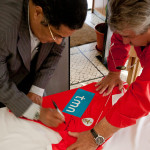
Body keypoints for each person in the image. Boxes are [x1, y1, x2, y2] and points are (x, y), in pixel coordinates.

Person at [67, 0, 150, 149]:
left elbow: (140, 97)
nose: (125, 41)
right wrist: (114, 72)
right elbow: (119, 40)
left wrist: (95, 136)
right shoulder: (132, 28)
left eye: (129, 36)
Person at [0, 0, 87, 127]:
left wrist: (37, 89)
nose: (59, 42)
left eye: (64, 37)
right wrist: (36, 113)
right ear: (37, 12)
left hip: (28, 75)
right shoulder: (4, 27)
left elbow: (55, 53)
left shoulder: (59, 21)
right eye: (56, 35)